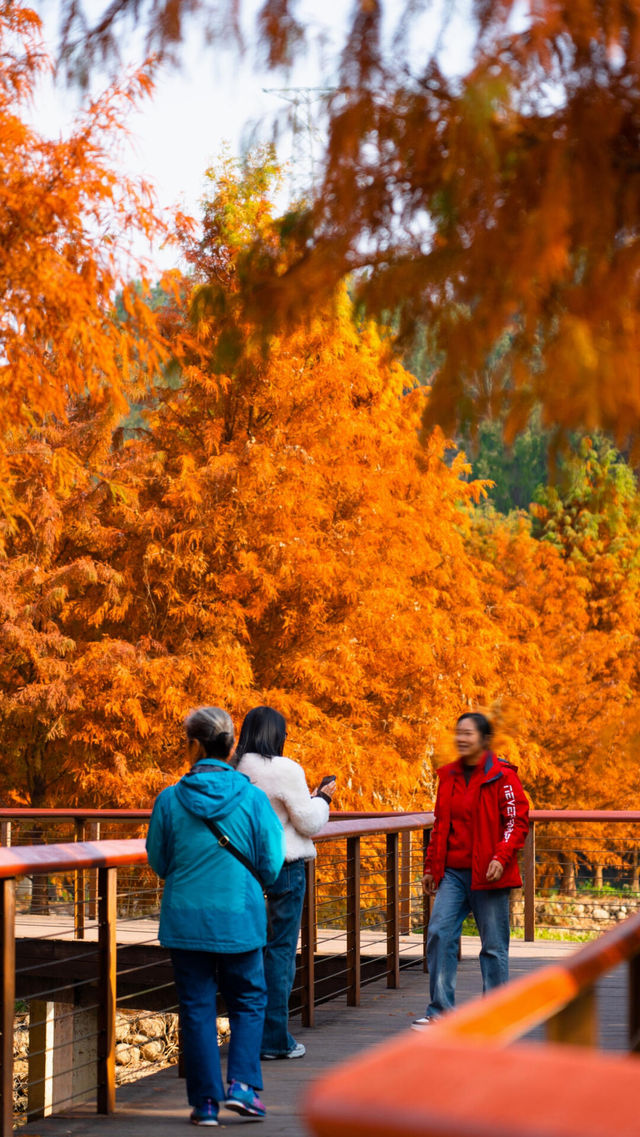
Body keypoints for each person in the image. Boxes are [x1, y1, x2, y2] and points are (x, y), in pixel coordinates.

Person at [146, 707, 285, 1127]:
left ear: (193, 745)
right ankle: (243, 1086)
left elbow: (159, 860)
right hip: (239, 918)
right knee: (248, 1000)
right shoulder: (253, 798)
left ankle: (205, 1104)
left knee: (196, 1007)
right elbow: (272, 863)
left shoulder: (170, 800)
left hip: (186, 920)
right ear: (230, 747)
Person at [413, 712, 529, 1028]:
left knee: (493, 947)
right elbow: (440, 825)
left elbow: (516, 821)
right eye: (458, 732)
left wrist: (499, 857)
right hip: (452, 872)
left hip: (489, 873)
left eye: (469, 733)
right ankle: (440, 1011)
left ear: (484, 739)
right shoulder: (448, 776)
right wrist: (430, 866)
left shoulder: (502, 776)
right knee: (439, 932)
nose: (461, 738)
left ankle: (494, 1014)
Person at [234, 705, 336, 1060]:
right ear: (276, 735)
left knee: (247, 951)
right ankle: (275, 1038)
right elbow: (307, 823)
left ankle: (245, 1034)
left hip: (244, 868)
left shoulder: (235, 768)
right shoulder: (285, 769)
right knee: (279, 951)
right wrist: (322, 798)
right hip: (285, 866)